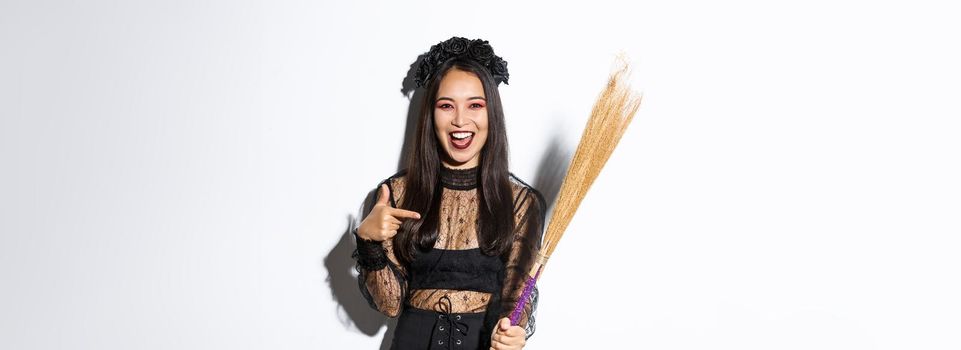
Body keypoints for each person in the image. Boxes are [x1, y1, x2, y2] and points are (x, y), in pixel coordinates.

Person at [352, 37, 546, 350]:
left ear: (491, 114)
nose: (460, 120)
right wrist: (368, 243)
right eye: (446, 106)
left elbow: (517, 296)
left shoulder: (521, 202)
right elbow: (389, 306)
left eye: (475, 105)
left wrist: (513, 333)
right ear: (431, 114)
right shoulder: (397, 193)